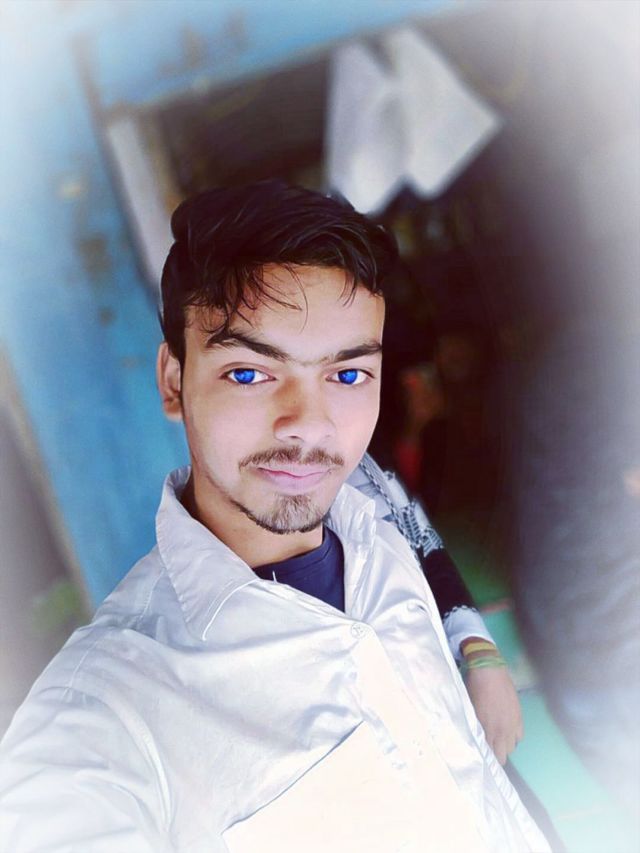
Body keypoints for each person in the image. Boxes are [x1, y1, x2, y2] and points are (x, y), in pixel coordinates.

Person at [0, 182, 548, 852]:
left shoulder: (370, 505)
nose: (309, 424)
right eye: (249, 373)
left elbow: (425, 546)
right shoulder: (101, 717)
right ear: (173, 381)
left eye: (347, 375)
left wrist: (476, 651)